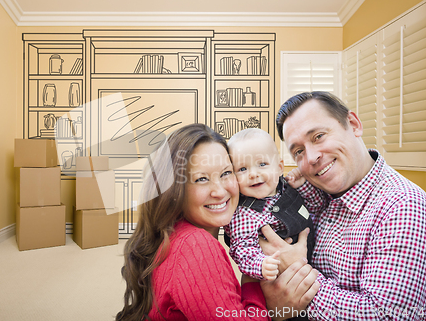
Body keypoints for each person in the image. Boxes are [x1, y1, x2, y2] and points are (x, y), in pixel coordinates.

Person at [115, 123, 319, 321]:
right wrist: (268, 302)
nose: (220, 191)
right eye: (201, 179)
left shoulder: (175, 235)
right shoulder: (195, 246)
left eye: (226, 173)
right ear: (175, 189)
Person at [259, 91, 426, 320]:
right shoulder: (318, 194)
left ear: (354, 124)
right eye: (299, 151)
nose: (311, 157)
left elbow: (388, 315)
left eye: (318, 136)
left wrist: (295, 274)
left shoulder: (401, 205)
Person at [224, 128, 315, 283]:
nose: (253, 174)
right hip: (280, 278)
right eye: (242, 169)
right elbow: (242, 250)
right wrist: (261, 265)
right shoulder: (243, 214)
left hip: (316, 263)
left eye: (262, 164)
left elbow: (314, 207)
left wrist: (302, 186)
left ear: (279, 167)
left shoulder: (286, 188)